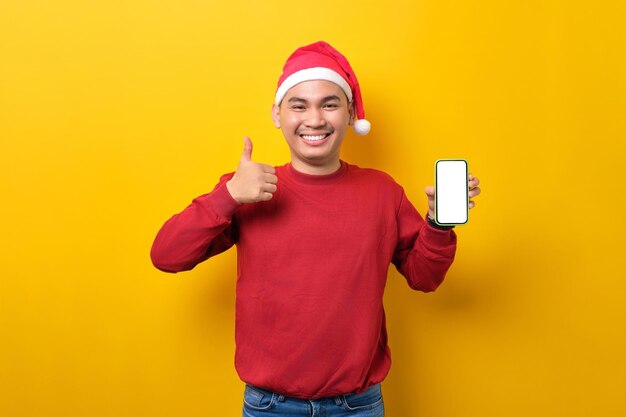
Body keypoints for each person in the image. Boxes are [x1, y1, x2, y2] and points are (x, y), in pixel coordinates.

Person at [150, 41, 481, 417]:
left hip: (358, 405)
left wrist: (439, 224)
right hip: (269, 406)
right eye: (298, 105)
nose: (315, 119)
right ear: (277, 114)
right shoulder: (249, 188)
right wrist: (227, 196)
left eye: (329, 103)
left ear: (351, 112)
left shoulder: (382, 191)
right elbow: (166, 256)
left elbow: (424, 277)